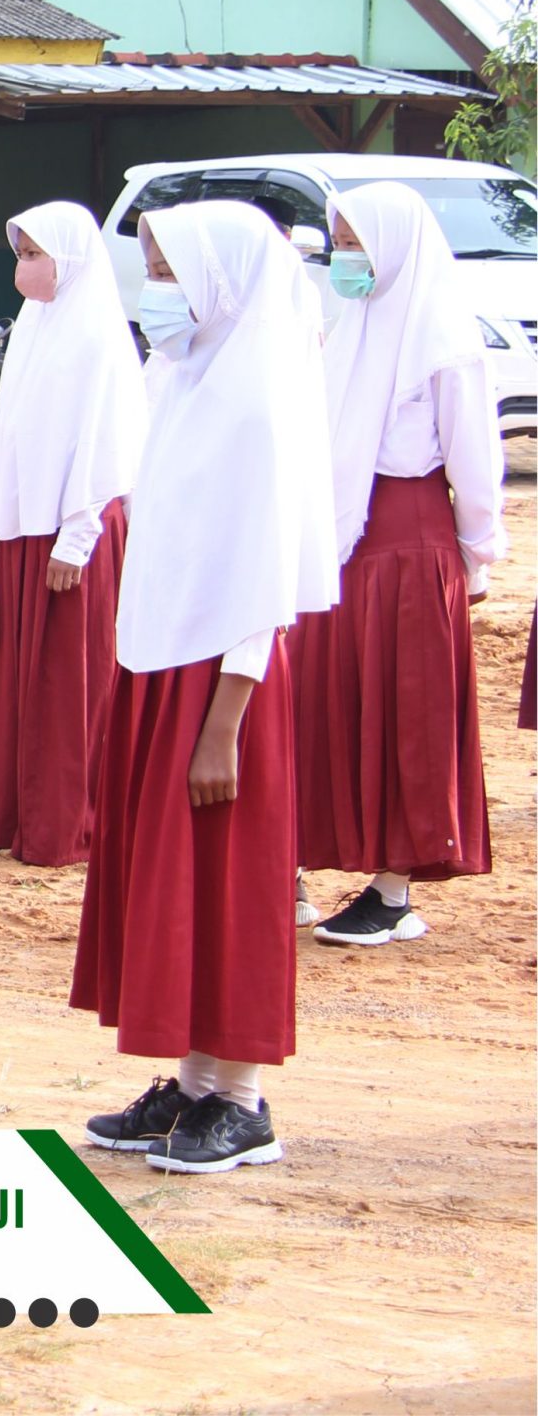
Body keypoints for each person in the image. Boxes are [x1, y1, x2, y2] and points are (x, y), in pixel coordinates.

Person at [74, 200, 336, 1175]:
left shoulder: (258, 399)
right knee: (177, 876)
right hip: (164, 666)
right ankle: (192, 1082)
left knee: (227, 877)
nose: (156, 292)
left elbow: (263, 576)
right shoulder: (184, 381)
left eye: (169, 270)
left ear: (222, 280)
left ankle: (242, 1097)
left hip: (227, 679)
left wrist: (225, 719)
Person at [292, 182, 501, 946]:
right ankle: (307, 860)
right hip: (344, 536)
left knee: (404, 709)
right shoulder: (354, 326)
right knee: (330, 696)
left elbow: (475, 463)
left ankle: (393, 888)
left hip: (410, 540)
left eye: (355, 242)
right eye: (338, 240)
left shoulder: (444, 339)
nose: (344, 257)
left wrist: (476, 554)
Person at [0, 204, 146, 867]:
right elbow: (10, 430)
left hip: (74, 534)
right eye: (21, 254)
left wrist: (76, 537)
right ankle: (11, 814)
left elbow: (106, 446)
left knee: (65, 684)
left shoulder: (98, 336)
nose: (26, 268)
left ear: (70, 259)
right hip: (24, 530)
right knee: (14, 676)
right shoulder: (35, 328)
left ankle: (66, 822)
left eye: (37, 255)